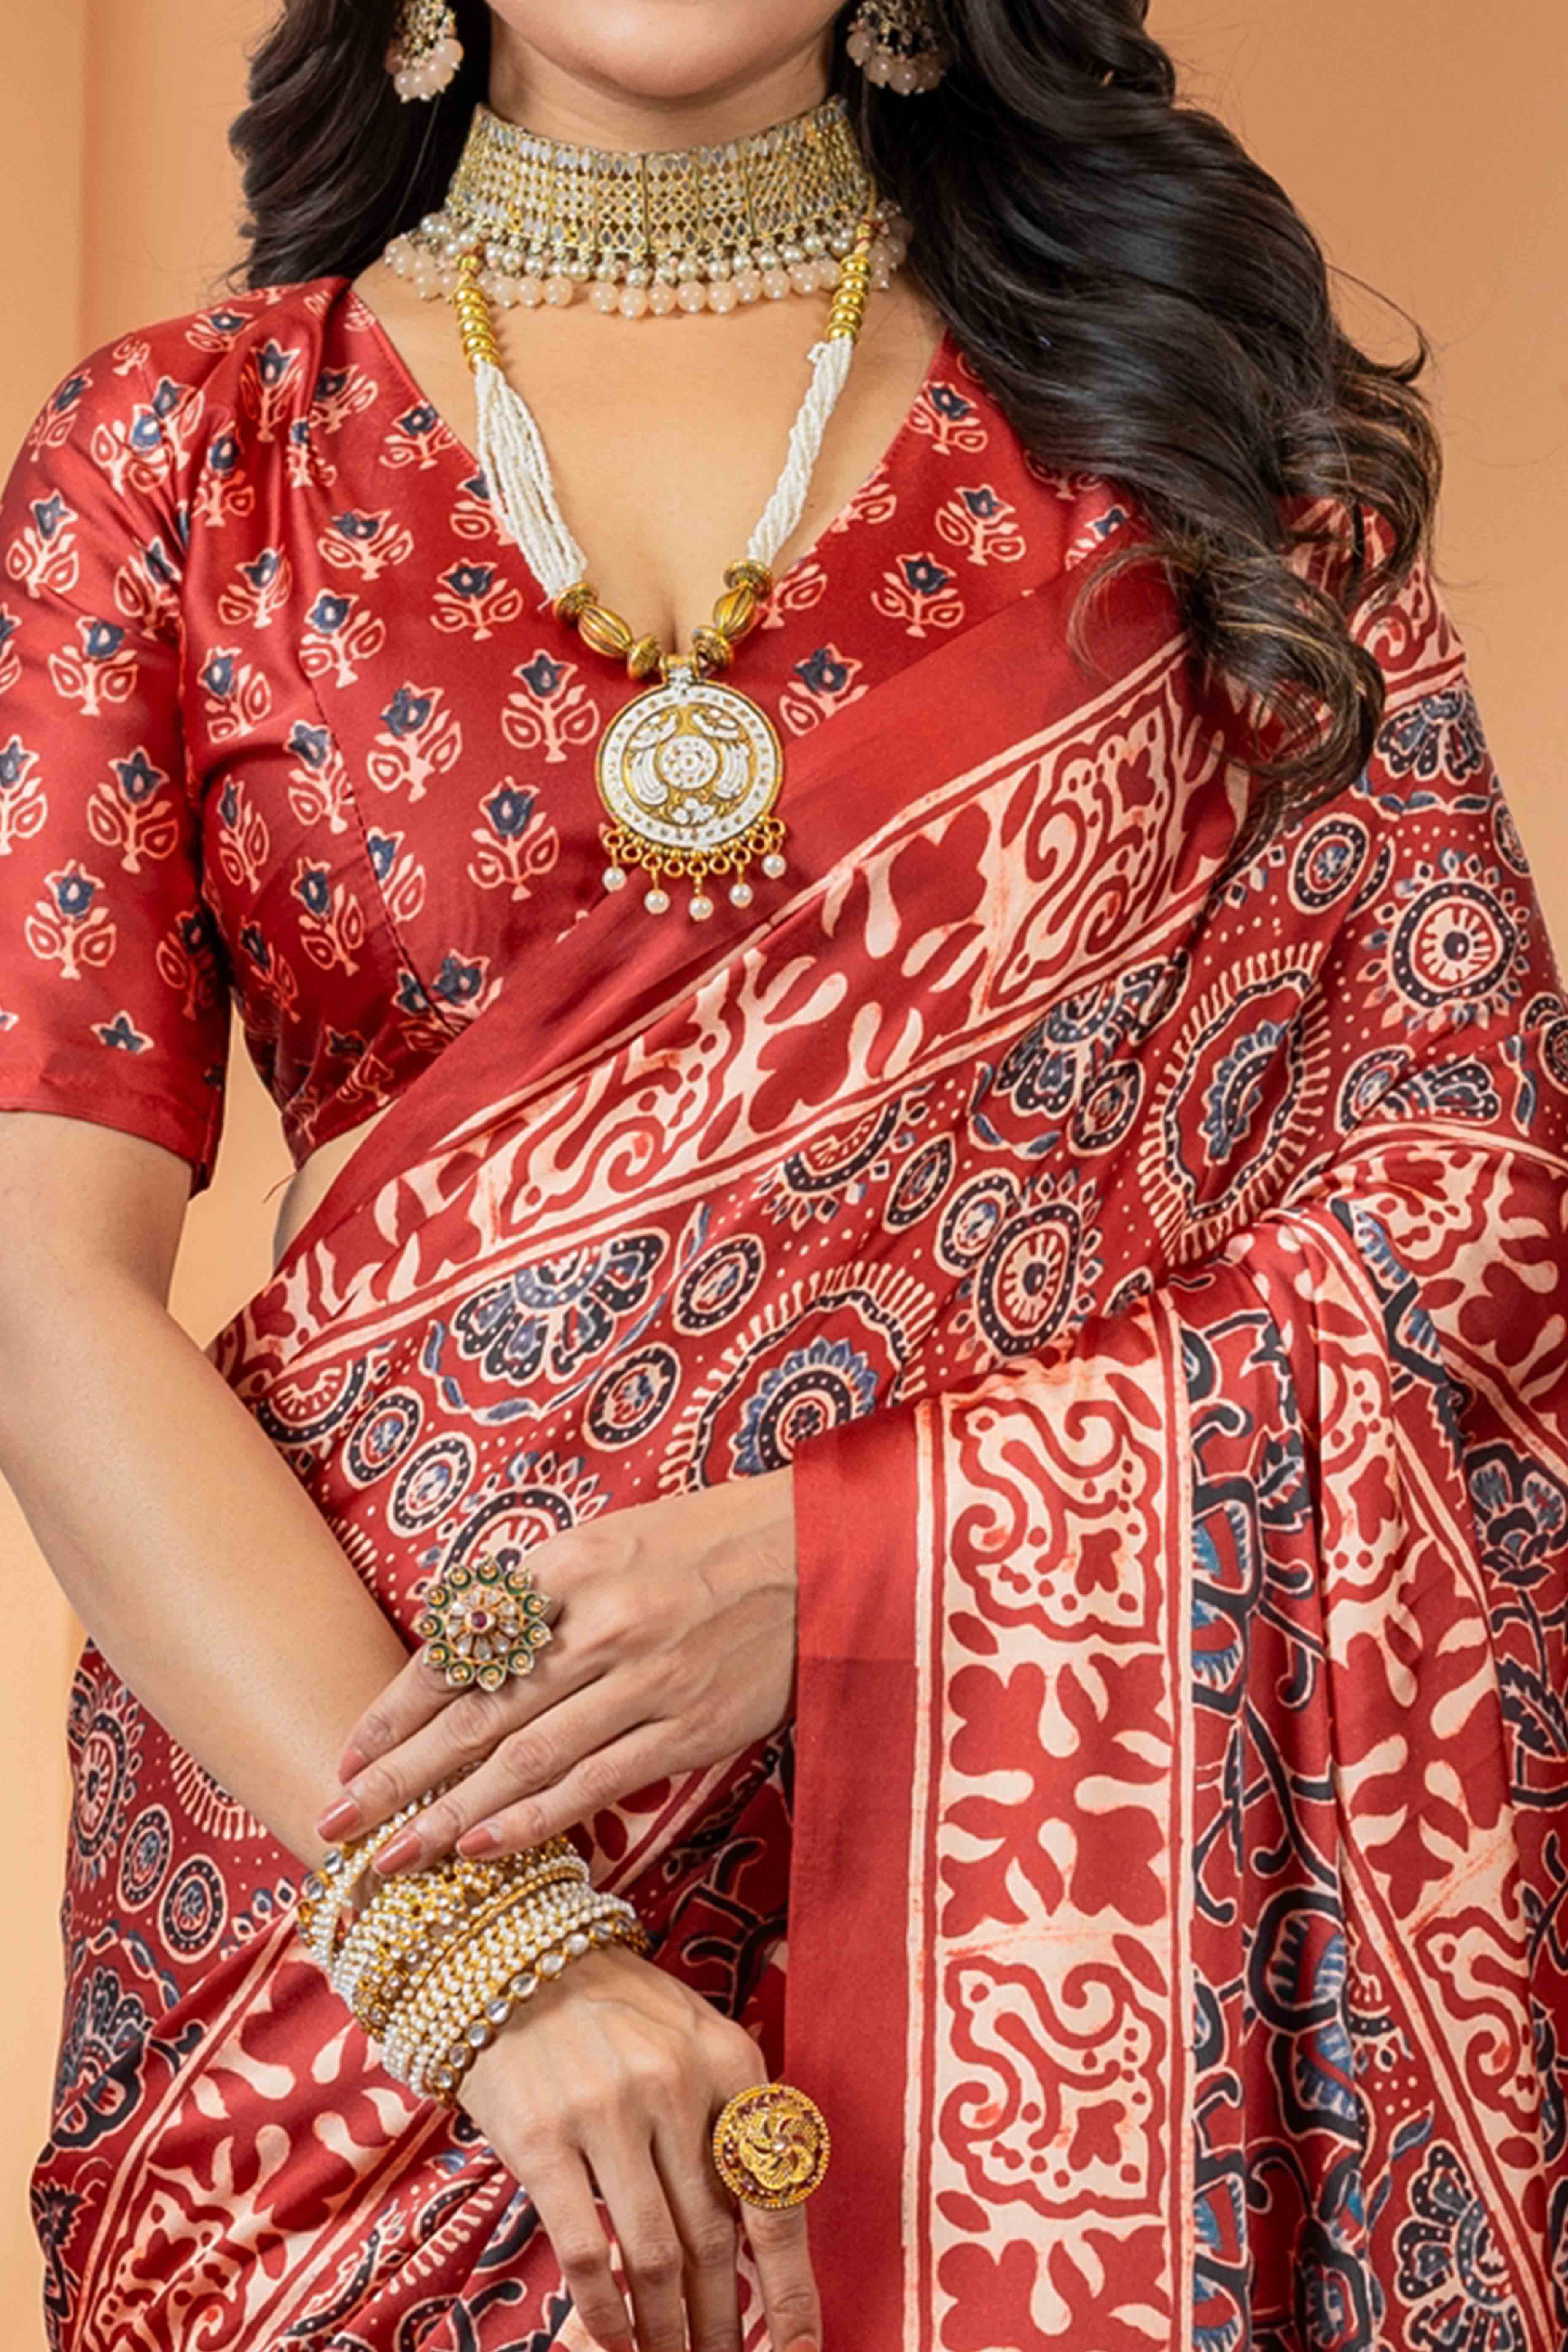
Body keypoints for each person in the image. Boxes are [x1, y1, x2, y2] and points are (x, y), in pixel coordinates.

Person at [2, 1, 1565, 2346]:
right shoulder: (186, 453)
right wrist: (486, 1964)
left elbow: (1465, 1227)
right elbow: (38, 1289)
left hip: (1052, 1901)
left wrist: (831, 1563)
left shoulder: (1199, 453)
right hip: (354, 1920)